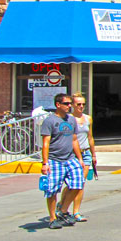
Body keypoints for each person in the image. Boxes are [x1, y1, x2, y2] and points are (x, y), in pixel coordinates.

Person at [40, 94, 85, 230]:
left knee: (78, 184)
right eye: (66, 103)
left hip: (70, 158)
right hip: (55, 160)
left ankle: (63, 211)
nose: (69, 106)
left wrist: (80, 159)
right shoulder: (50, 121)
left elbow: (74, 140)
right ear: (58, 105)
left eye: (70, 103)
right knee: (52, 190)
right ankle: (53, 218)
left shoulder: (71, 120)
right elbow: (46, 143)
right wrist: (45, 163)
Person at [69, 93, 96, 223]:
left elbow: (90, 137)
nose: (81, 107)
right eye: (78, 104)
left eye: (83, 104)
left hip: (85, 154)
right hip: (72, 154)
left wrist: (93, 154)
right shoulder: (68, 119)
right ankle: (62, 206)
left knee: (80, 184)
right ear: (72, 105)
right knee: (71, 185)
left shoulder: (88, 119)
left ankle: (76, 212)